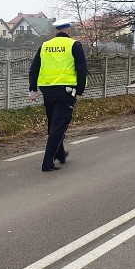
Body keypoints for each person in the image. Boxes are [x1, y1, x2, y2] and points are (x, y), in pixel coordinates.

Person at [28, 18, 88, 172]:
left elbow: (34, 68)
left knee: (54, 123)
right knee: (59, 126)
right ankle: (47, 162)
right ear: (68, 30)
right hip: (66, 91)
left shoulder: (45, 46)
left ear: (56, 31)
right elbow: (81, 69)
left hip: (47, 90)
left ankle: (60, 154)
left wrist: (33, 89)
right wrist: (80, 91)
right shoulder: (74, 45)